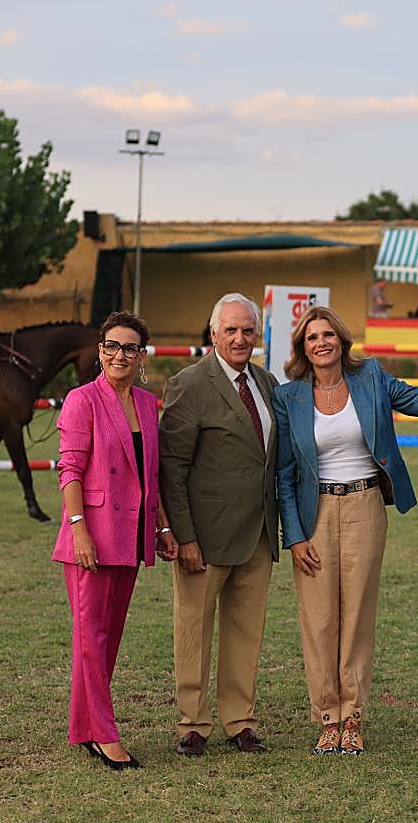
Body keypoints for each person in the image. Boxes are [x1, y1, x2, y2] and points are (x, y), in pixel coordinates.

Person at [273, 306, 418, 754]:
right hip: (314, 512)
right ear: (302, 349)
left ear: (342, 341)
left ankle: (354, 717)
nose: (321, 342)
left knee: (358, 616)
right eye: (311, 338)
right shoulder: (289, 398)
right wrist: (296, 536)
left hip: (365, 506)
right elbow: (285, 473)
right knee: (319, 620)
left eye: (328, 334)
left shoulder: (372, 379)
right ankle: (328, 716)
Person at [53, 310, 177, 771]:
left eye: (129, 347)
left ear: (141, 355)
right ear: (100, 351)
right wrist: (79, 529)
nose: (118, 355)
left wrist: (162, 528)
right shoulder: (82, 400)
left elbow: (152, 476)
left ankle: (82, 728)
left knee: (107, 639)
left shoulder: (147, 404)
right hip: (92, 535)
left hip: (132, 534)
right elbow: (69, 469)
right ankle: (105, 735)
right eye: (111, 346)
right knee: (91, 637)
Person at [159, 293, 279, 757]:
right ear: (213, 334)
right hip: (203, 538)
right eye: (230, 330)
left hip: (259, 533)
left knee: (246, 632)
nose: (239, 338)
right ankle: (193, 723)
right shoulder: (189, 384)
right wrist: (183, 536)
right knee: (194, 629)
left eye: (247, 330)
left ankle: (240, 721)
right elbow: (173, 468)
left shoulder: (267, 383)